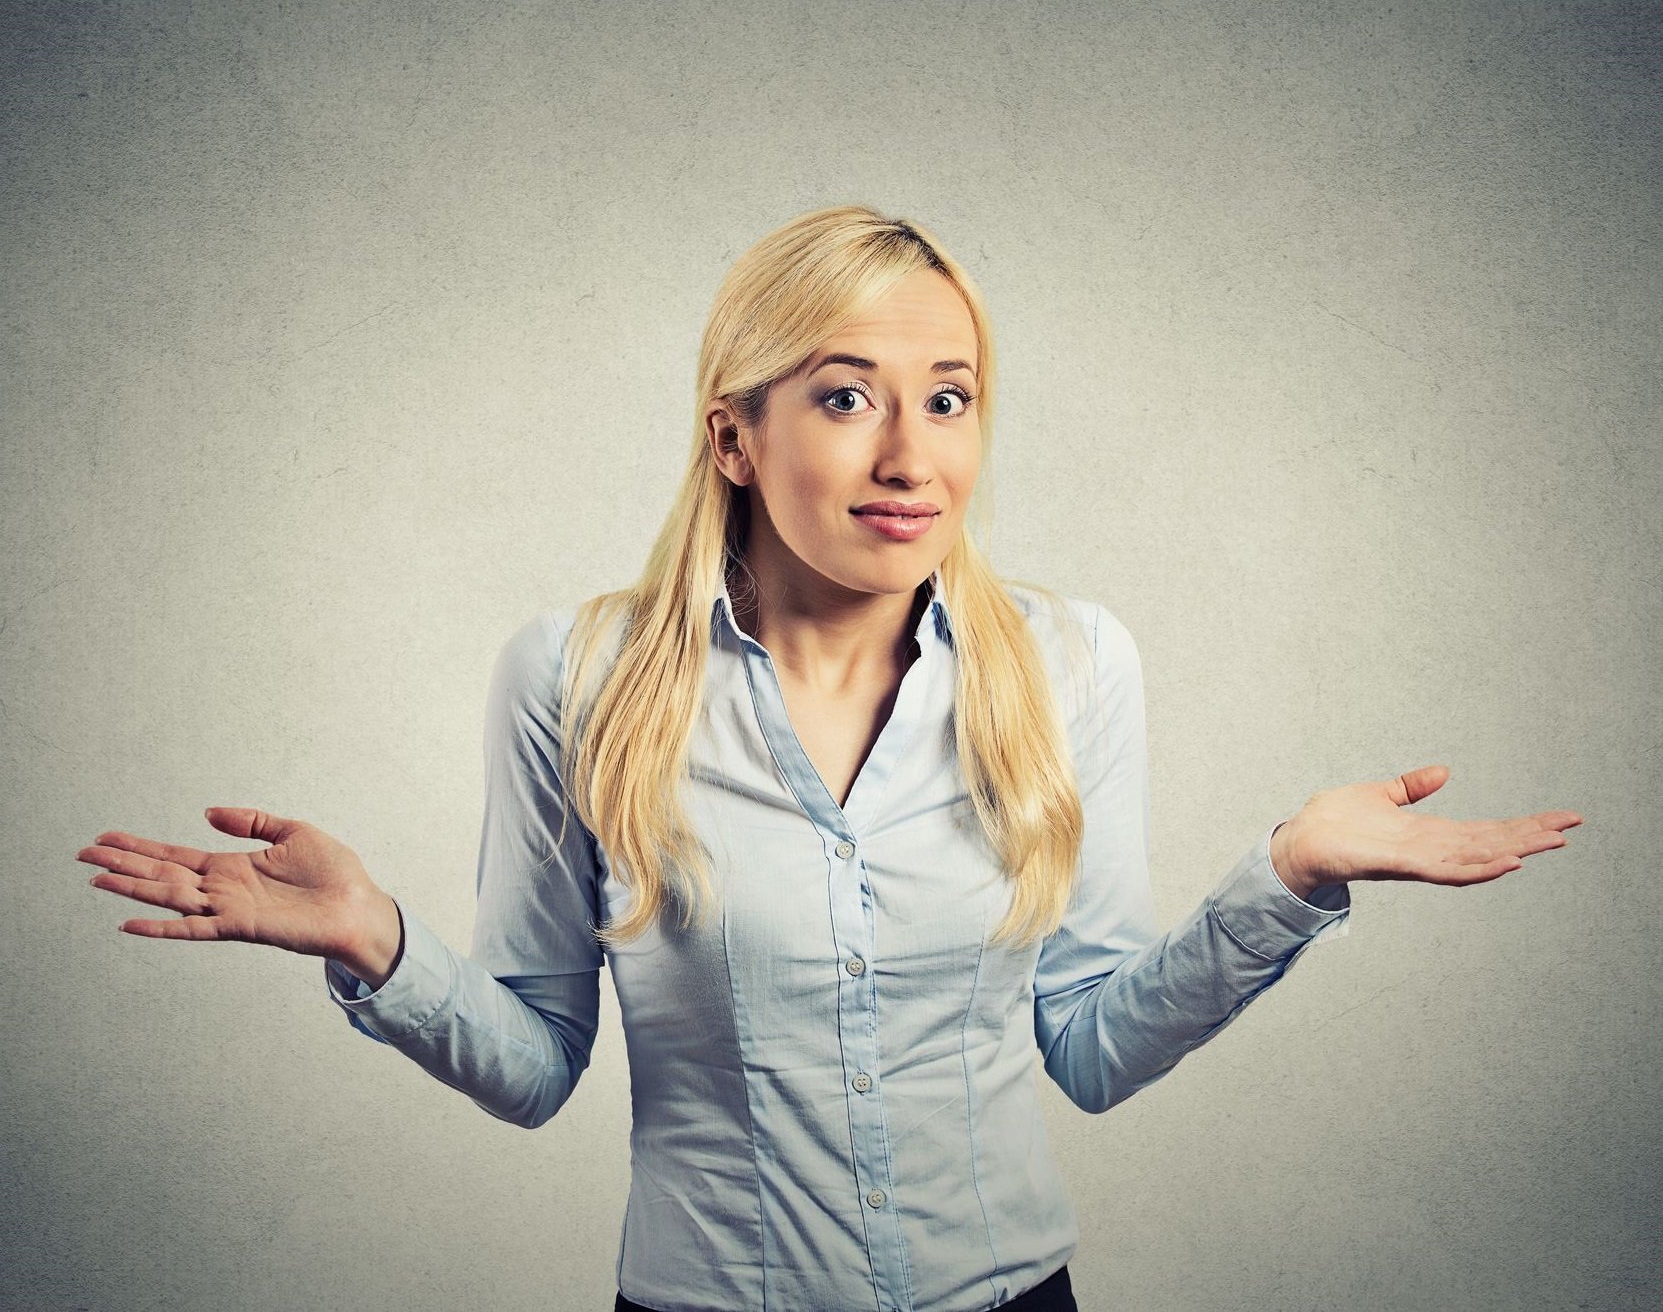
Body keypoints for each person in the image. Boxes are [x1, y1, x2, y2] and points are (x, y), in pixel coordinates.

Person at [78, 205, 1582, 1312]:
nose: (910, 456)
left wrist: (1292, 875)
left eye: (949, 397)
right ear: (733, 435)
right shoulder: (574, 678)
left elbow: (1095, 1047)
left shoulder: (1072, 665)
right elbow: (537, 1065)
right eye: (848, 395)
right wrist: (378, 941)